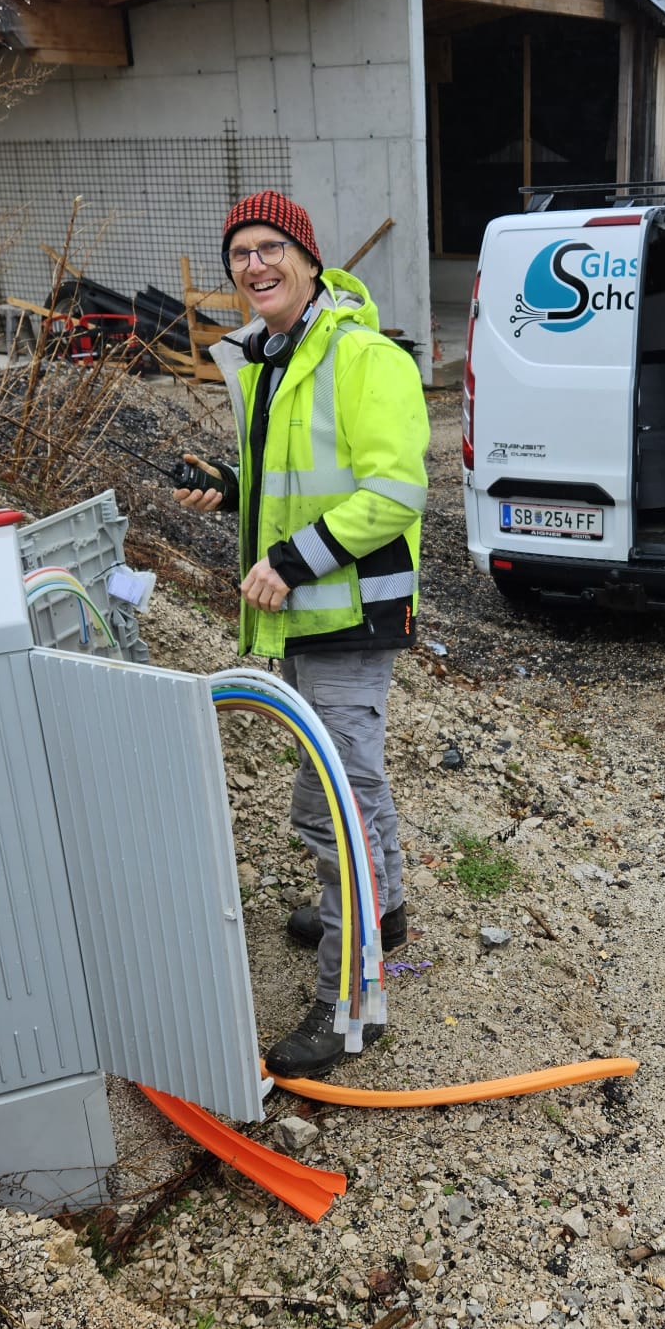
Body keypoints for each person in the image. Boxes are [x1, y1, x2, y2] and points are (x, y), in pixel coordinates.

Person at [173, 190, 429, 1079]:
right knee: (348, 779)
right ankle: (383, 912)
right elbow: (297, 475)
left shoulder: (361, 354)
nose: (254, 265)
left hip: (350, 611)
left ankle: (352, 1005)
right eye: (240, 252)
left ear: (311, 258)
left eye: (271, 246)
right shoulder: (277, 356)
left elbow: (394, 492)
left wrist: (288, 558)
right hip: (316, 613)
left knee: (334, 806)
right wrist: (231, 485)